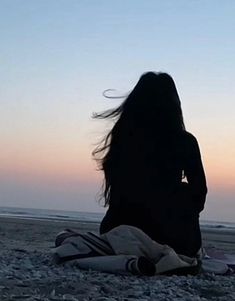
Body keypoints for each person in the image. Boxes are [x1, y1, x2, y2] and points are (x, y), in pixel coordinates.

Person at [93, 72, 207, 257]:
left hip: (117, 229)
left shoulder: (123, 138)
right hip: (170, 236)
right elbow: (199, 193)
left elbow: (116, 188)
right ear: (173, 105)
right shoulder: (184, 141)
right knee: (186, 192)